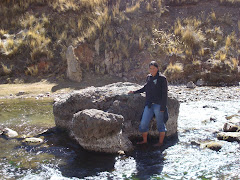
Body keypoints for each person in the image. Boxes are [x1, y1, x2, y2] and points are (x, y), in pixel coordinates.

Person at [129, 61, 168, 147]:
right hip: (149, 104)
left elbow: (165, 94)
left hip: (159, 105)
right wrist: (134, 92)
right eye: (150, 68)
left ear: (157, 68)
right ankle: (144, 141)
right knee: (143, 123)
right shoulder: (149, 77)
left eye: (153, 68)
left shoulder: (162, 79)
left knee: (160, 124)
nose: (152, 70)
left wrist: (163, 107)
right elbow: (145, 88)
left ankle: (160, 143)